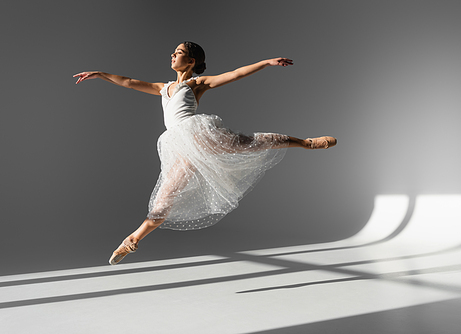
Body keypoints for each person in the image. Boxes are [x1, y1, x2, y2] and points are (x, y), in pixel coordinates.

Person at [73, 41, 337, 265]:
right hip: (180, 146)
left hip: (199, 133)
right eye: (173, 52)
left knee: (248, 143)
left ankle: (307, 143)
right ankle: (131, 240)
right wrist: (101, 73)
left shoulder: (197, 83)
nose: (173, 54)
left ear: (191, 61)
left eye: (178, 52)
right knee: (164, 198)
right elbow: (129, 82)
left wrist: (266, 62)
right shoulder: (163, 88)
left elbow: (235, 74)